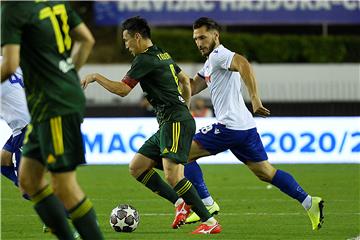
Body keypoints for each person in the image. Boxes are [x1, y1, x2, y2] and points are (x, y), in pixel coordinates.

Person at [81, 16, 222, 234]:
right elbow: (184, 79)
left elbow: (123, 90)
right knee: (137, 167)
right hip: (171, 121)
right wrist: (185, 103)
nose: (126, 45)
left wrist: (96, 76)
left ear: (137, 37)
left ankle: (210, 222)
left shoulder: (143, 59)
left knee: (173, 175)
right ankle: (180, 203)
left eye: (127, 40)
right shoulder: (161, 53)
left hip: (175, 121)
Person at [183, 17, 324, 231]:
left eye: (203, 37)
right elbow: (192, 87)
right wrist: (171, 76)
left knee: (182, 153)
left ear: (216, 35)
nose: (199, 42)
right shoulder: (211, 61)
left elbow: (243, 63)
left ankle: (207, 204)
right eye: (195, 38)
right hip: (244, 128)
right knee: (266, 172)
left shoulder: (221, 55)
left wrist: (255, 98)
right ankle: (309, 202)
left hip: (228, 127)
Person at [1, 1, 104, 239]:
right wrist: (66, 74)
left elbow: (9, 65)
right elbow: (87, 40)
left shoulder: (13, 9)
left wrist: (58, 82)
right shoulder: (55, 2)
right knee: (27, 180)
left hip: (53, 105)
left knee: (64, 186)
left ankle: (83, 228)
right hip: (48, 105)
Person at [1, 57, 30, 197]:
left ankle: (75, 215)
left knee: (28, 191)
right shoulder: (9, 62)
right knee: (3, 161)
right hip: (26, 123)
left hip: (26, 128)